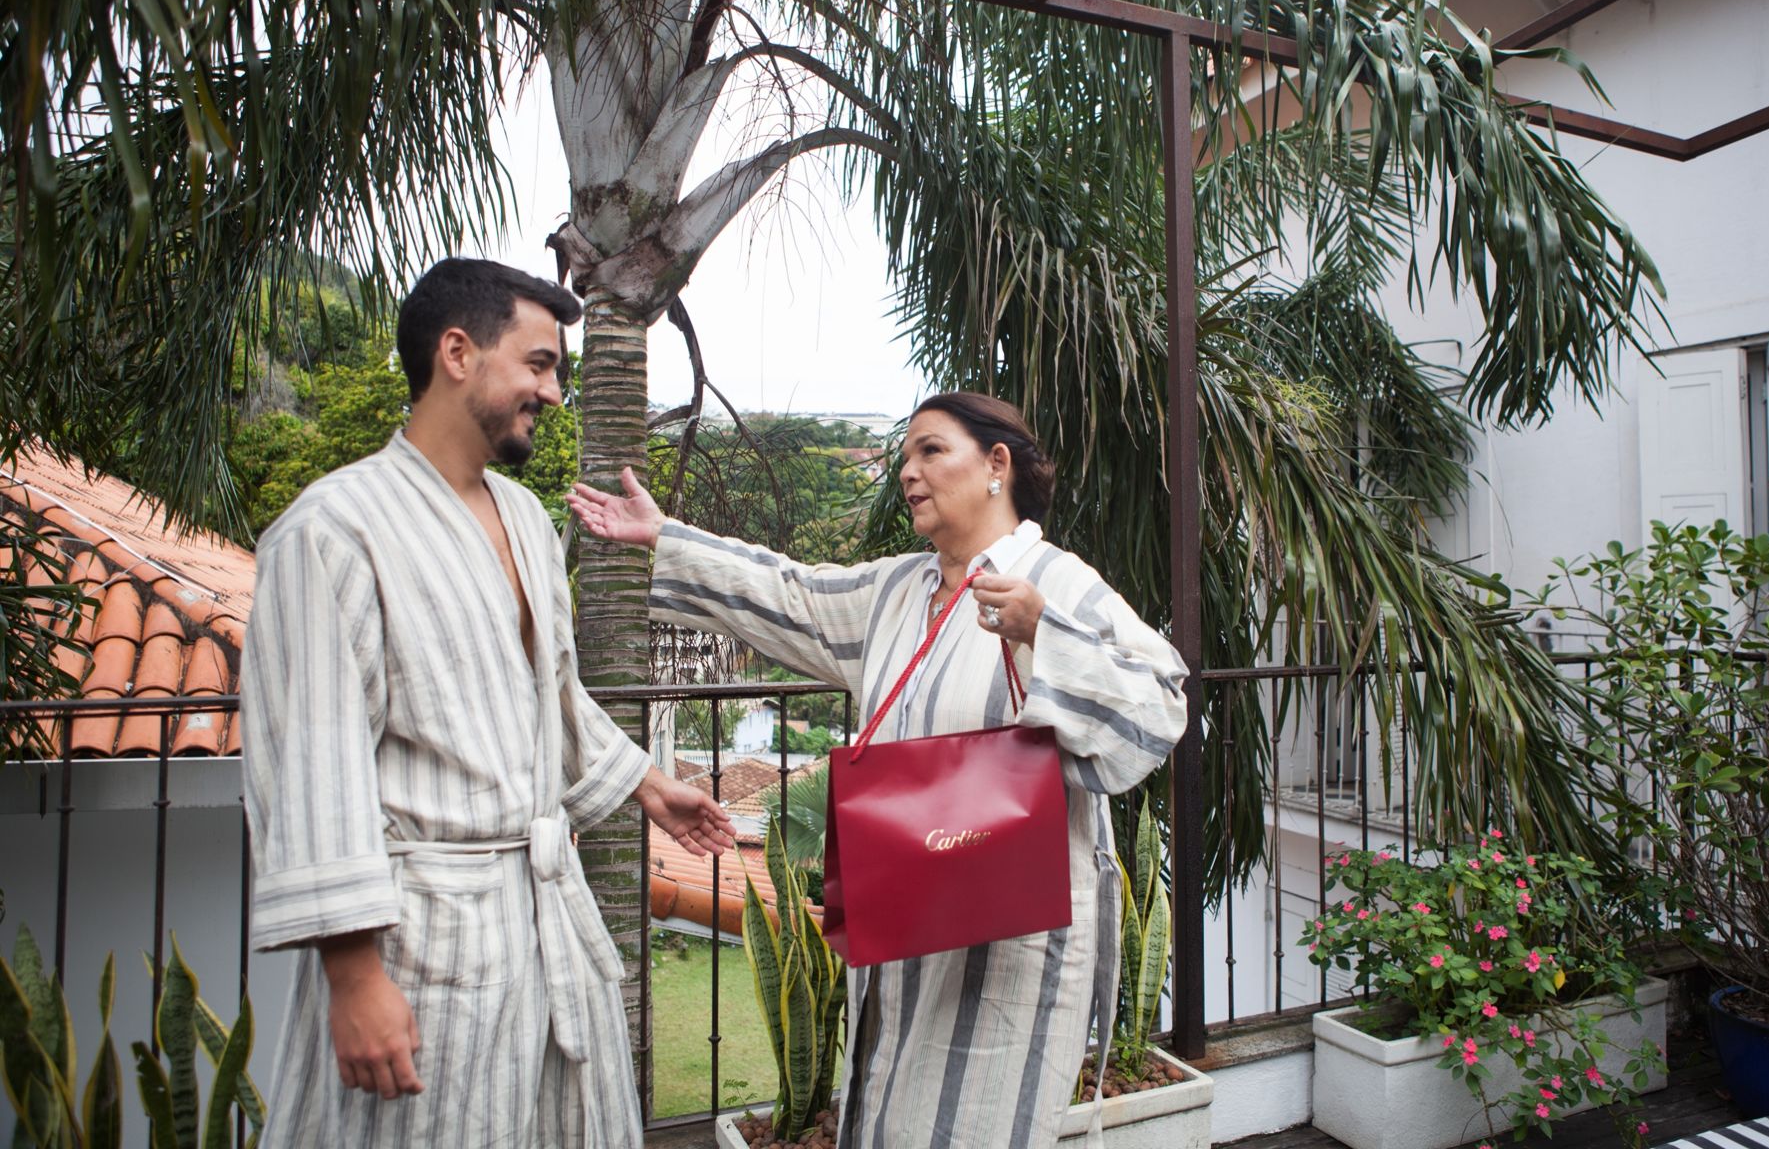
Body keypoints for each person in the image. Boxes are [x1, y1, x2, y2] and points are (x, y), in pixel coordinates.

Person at [567, 391, 1187, 1149]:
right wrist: (666, 537)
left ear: (997, 465)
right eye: (904, 457)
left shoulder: (1060, 581)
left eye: (931, 450)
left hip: (1007, 938)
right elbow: (788, 591)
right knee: (888, 1113)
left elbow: (1160, 704)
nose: (909, 471)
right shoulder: (897, 591)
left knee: (974, 1122)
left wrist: (1042, 632)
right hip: (906, 913)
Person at [240, 258, 734, 1148]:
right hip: (423, 938)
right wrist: (354, 979)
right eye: (539, 364)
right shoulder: (332, 530)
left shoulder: (525, 519)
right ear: (458, 352)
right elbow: (312, 753)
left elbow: (548, 691)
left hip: (537, 914)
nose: (554, 391)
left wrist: (648, 788)